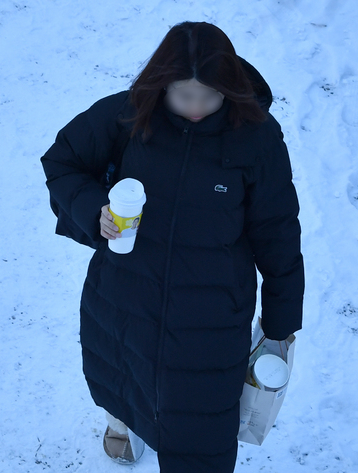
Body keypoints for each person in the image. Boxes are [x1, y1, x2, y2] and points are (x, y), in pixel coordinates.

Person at [40, 21, 305, 472]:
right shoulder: (129, 114)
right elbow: (63, 161)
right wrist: (94, 210)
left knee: (202, 427)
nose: (197, 106)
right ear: (162, 84)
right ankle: (123, 422)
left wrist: (281, 324)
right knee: (122, 373)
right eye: (184, 95)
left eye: (210, 95)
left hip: (210, 313)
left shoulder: (257, 138)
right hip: (126, 291)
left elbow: (278, 230)